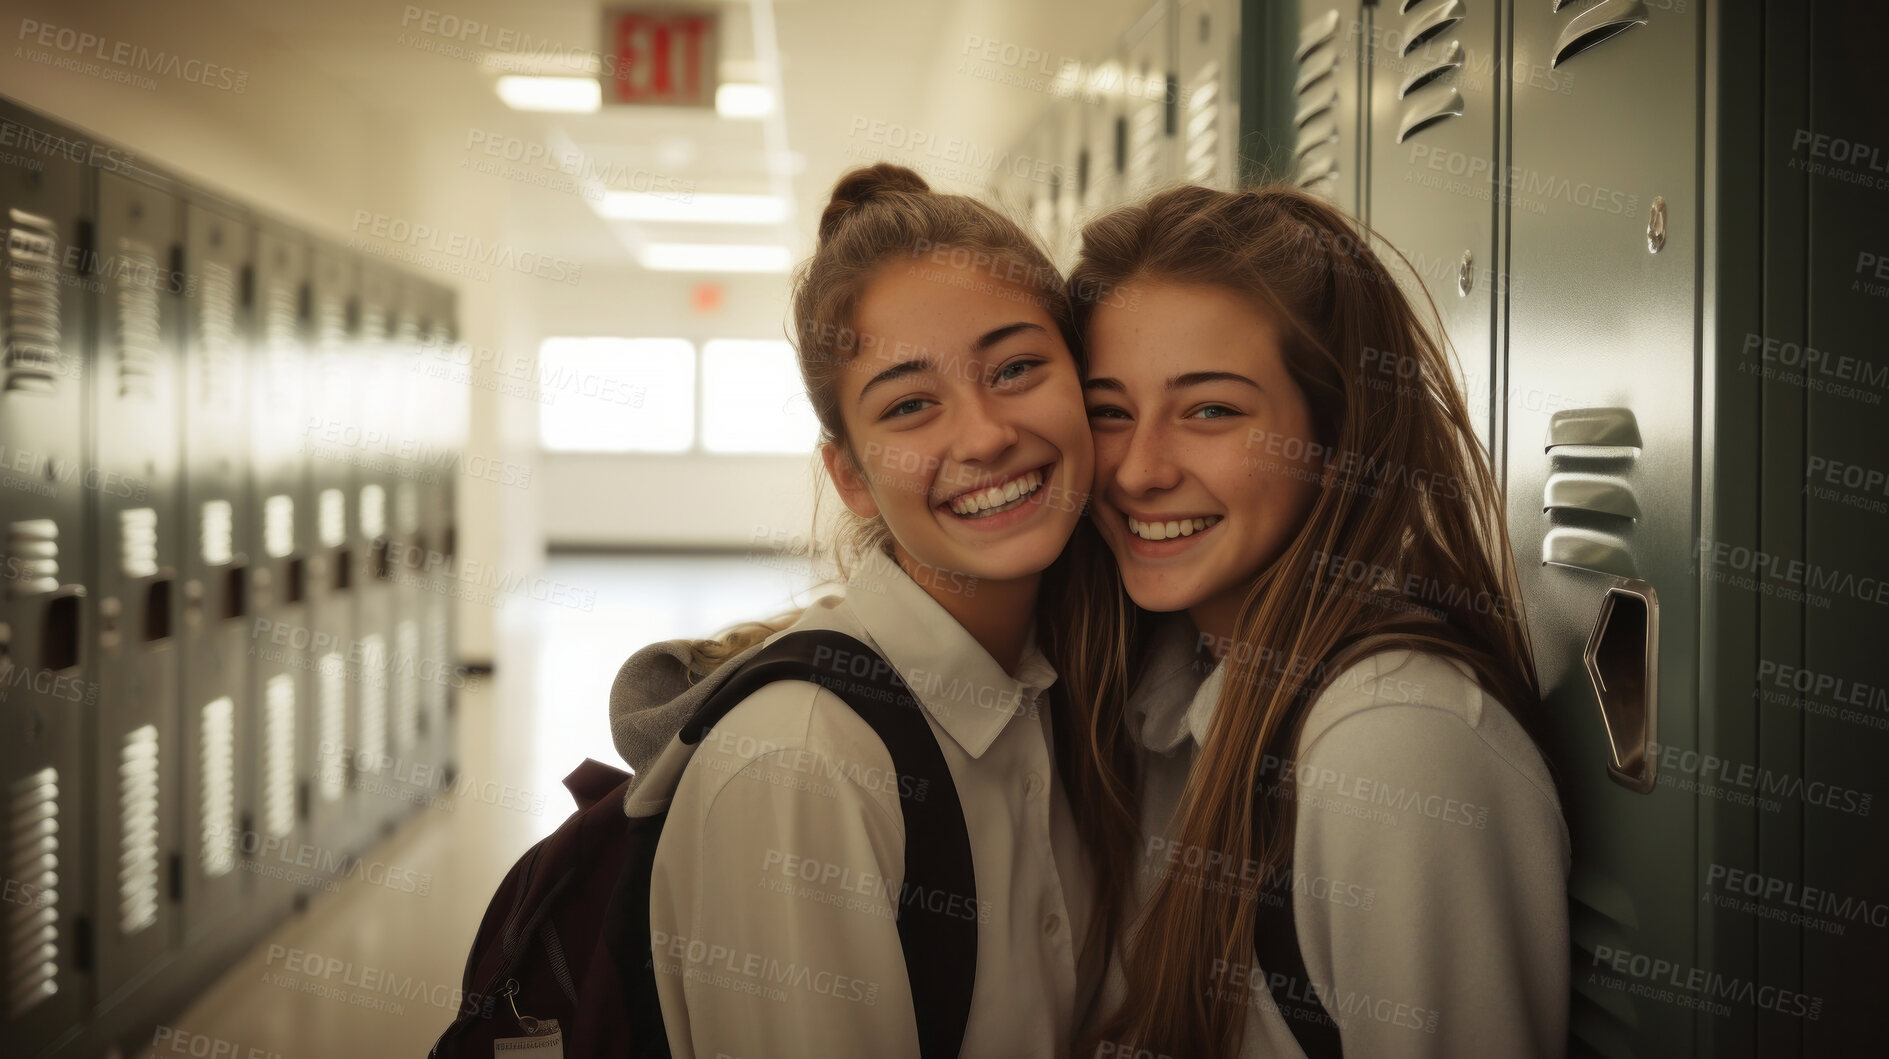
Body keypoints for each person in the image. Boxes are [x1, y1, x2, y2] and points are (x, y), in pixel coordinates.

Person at [609, 163, 1113, 1059]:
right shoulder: (802, 763)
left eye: (1015, 368)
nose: (985, 433)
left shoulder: (1057, 686)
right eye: (910, 404)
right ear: (850, 476)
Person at [1066, 184, 1570, 1058]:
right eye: (1109, 411)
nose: (1139, 470)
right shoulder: (1165, 683)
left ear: (1338, 436)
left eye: (1211, 410)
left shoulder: (1392, 742)